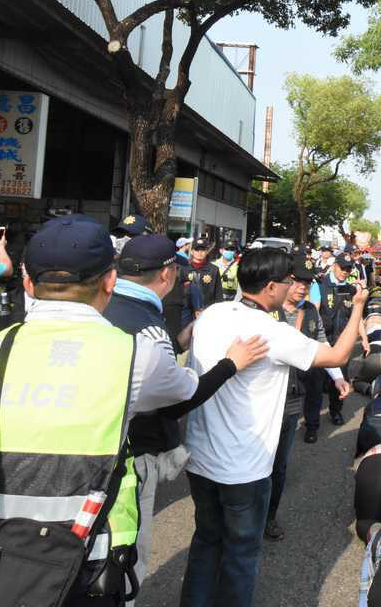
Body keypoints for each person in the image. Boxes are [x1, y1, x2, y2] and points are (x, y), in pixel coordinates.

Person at [0, 215, 240, 606]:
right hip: (75, 552)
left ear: (29, 283)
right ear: (110, 281)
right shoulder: (135, 353)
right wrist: (231, 362)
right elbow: (183, 393)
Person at [181, 246, 366, 607]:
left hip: (200, 459)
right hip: (244, 467)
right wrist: (358, 306)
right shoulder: (271, 331)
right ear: (269, 287)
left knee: (206, 541)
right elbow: (338, 356)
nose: (292, 288)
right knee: (241, 553)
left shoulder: (214, 314)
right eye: (287, 282)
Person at [104, 233, 268, 595]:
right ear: (167, 275)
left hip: (94, 446)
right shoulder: (149, 326)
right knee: (122, 559)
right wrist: (230, 364)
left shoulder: (108, 307)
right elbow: (178, 401)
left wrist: (179, 342)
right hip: (129, 455)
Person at [271, 254, 351, 537]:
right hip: (265, 397)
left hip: (293, 399)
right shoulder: (268, 310)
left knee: (280, 463)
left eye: (306, 282)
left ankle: (269, 516)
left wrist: (339, 377)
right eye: (296, 281)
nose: (302, 287)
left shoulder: (312, 313)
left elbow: (322, 344)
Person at [306, 252, 360, 442]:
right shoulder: (319, 285)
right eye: (342, 268)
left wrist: (365, 339)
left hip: (341, 343)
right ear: (334, 266)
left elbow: (356, 316)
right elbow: (313, 311)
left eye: (348, 269)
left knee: (340, 381)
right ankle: (312, 425)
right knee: (315, 385)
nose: (345, 272)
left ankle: (336, 412)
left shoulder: (351, 289)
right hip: (321, 342)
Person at [184, 237, 224, 315]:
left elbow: (218, 295)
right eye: (197, 250)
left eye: (203, 250)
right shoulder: (183, 269)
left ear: (207, 251)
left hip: (207, 312)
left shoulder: (214, 270)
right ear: (192, 252)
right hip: (187, 312)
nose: (200, 252)